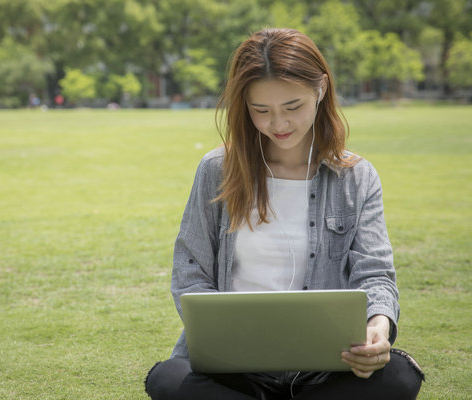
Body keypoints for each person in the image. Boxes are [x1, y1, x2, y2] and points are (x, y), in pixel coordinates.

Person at [145, 28, 424, 399]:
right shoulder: (217, 169)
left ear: (321, 89)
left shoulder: (356, 177)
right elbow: (190, 272)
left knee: (400, 376)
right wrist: (217, 336)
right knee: (167, 378)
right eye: (261, 111)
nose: (278, 125)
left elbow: (375, 273)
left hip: (326, 370)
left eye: (292, 107)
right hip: (234, 371)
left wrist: (379, 325)